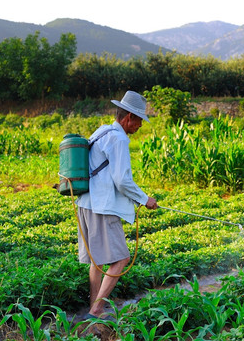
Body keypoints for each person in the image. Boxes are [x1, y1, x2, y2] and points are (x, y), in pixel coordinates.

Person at [76, 90, 158, 320]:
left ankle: (93, 308)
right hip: (102, 206)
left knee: (98, 260)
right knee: (121, 258)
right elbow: (122, 180)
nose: (140, 125)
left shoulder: (103, 130)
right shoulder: (119, 137)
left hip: (86, 202)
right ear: (129, 117)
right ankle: (97, 310)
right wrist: (145, 199)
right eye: (139, 120)